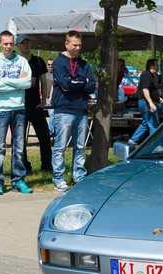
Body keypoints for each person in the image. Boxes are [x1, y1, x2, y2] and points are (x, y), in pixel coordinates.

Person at [0, 30, 33, 195]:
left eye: (11, 43)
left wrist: (5, 80)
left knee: (19, 147)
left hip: (19, 108)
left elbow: (28, 82)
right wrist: (17, 82)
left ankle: (18, 180)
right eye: (5, 43)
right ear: (0, 44)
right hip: (1, 109)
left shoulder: (21, 60)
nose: (8, 47)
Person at [51, 30, 96, 192]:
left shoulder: (84, 64)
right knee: (60, 146)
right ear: (67, 44)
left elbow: (91, 86)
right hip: (64, 109)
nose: (78, 48)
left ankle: (79, 176)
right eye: (75, 45)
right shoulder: (58, 63)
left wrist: (78, 81)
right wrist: (82, 82)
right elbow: (65, 84)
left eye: (80, 45)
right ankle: (58, 178)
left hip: (81, 109)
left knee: (80, 146)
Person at [16, 34, 53, 173]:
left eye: (28, 42)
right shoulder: (16, 61)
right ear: (17, 46)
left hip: (35, 105)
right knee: (20, 139)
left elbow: (44, 81)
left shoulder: (38, 61)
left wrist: (43, 101)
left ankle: (47, 165)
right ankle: (25, 166)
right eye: (23, 43)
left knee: (44, 135)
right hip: (19, 105)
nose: (26, 45)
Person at [128, 59, 163, 147]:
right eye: (156, 65)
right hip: (145, 102)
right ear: (152, 66)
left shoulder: (151, 75)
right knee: (153, 124)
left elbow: (151, 90)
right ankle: (155, 146)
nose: (158, 67)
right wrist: (151, 103)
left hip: (147, 102)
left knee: (146, 123)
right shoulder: (146, 74)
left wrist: (158, 98)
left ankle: (132, 141)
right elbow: (145, 89)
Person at [46, 58, 55, 135]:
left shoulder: (56, 74)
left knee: (53, 115)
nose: (50, 66)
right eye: (49, 64)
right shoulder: (44, 74)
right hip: (45, 97)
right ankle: (49, 131)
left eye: (52, 65)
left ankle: (50, 131)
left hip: (53, 98)